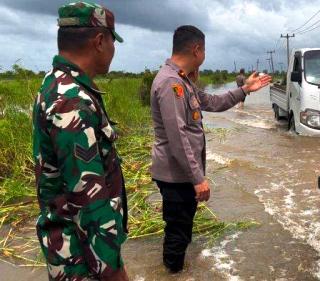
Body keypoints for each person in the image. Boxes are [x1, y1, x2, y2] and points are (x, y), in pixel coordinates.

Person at [150, 25, 272, 273]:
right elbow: (178, 137)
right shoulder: (170, 84)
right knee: (177, 235)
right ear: (196, 49)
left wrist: (244, 90)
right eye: (204, 51)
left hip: (180, 174)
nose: (204, 57)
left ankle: (174, 271)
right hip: (176, 176)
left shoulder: (183, 81)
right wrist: (198, 178)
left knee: (181, 230)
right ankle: (172, 273)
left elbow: (213, 102)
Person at [32, 2, 128, 280]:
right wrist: (114, 271)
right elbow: (87, 199)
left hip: (72, 251)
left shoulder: (55, 83)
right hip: (82, 262)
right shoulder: (72, 101)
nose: (114, 50)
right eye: (113, 41)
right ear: (100, 41)